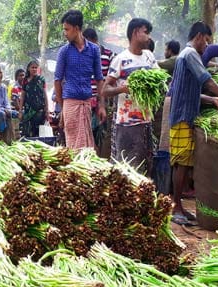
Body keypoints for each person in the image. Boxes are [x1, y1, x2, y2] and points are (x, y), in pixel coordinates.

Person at [168, 21, 218, 225]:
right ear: (198, 36)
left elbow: (190, 91)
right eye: (206, 41)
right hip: (182, 116)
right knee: (181, 164)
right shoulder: (190, 54)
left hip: (185, 114)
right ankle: (176, 207)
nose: (207, 46)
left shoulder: (186, 56)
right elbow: (206, 80)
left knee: (185, 164)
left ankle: (178, 206)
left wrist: (212, 99)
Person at [103, 18, 158, 176]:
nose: (149, 37)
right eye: (146, 32)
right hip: (126, 124)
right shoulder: (120, 59)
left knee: (145, 166)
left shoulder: (149, 57)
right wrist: (123, 88)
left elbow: (160, 78)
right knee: (127, 169)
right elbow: (105, 89)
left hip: (145, 121)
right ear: (135, 33)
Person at [54, 10, 105, 150]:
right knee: (74, 147)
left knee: (87, 146)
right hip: (70, 104)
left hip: (87, 104)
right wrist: (63, 107)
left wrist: (101, 106)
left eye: (67, 29)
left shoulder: (94, 50)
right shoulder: (64, 51)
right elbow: (57, 80)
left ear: (76, 29)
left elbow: (100, 79)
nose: (65, 33)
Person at [83, 27, 116, 157]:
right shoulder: (84, 55)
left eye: (89, 43)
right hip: (86, 100)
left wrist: (102, 99)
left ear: (95, 41)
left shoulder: (109, 55)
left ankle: (101, 159)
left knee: (102, 133)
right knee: (88, 134)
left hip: (103, 100)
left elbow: (111, 79)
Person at [19, 60, 50, 137]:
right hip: (28, 111)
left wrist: (47, 109)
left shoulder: (41, 79)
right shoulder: (25, 81)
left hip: (39, 111)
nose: (34, 69)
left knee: (39, 133)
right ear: (28, 69)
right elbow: (22, 96)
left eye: (36, 67)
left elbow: (45, 94)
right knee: (27, 132)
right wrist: (20, 110)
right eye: (32, 67)